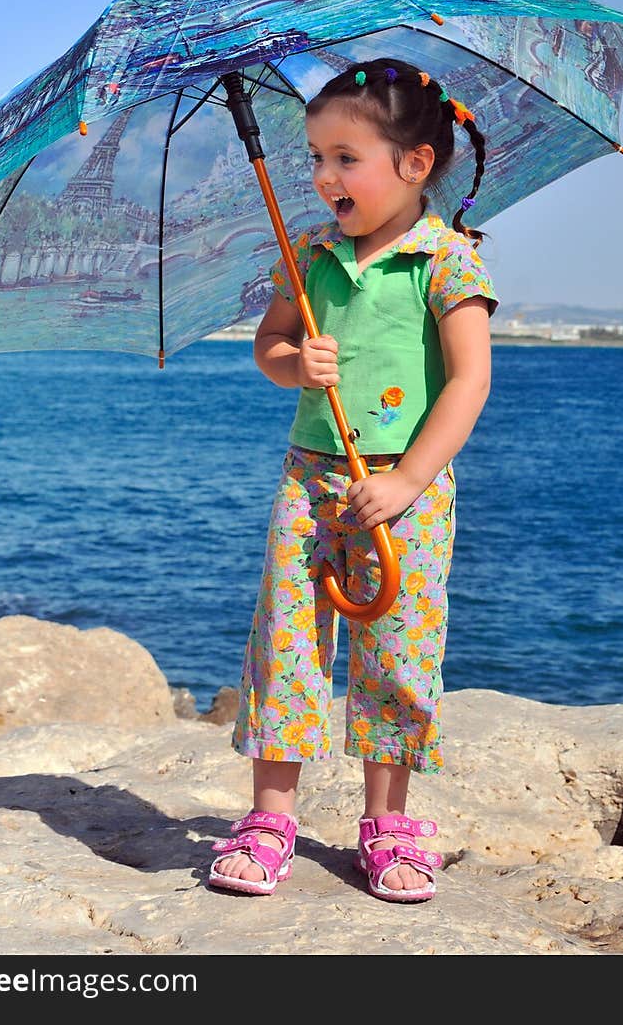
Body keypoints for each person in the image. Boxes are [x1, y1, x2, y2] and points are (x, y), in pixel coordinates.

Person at [209, 58, 499, 902]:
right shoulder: (311, 257)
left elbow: (469, 381)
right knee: (288, 642)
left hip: (403, 487)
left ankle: (388, 823)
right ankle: (270, 816)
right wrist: (296, 362)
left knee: (398, 650)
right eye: (314, 158)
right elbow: (268, 347)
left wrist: (408, 479)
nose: (323, 176)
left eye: (345, 157)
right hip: (312, 478)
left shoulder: (448, 261)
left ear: (414, 164)